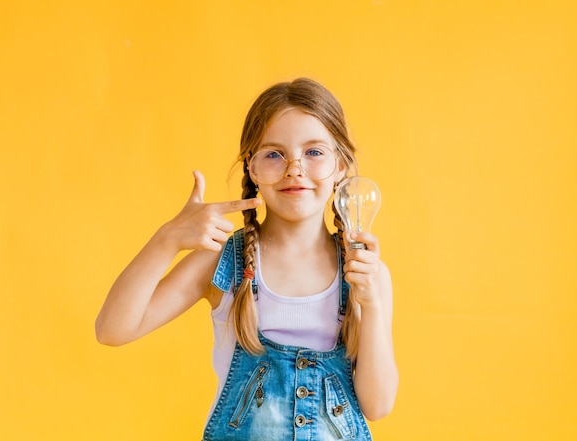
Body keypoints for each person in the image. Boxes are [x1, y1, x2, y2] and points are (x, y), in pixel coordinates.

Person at [95, 78, 398, 440]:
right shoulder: (224, 264)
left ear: (343, 165)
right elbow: (112, 329)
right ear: (252, 169)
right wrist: (168, 239)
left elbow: (377, 406)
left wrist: (372, 304)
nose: (294, 168)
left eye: (314, 152)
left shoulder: (365, 274)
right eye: (274, 154)